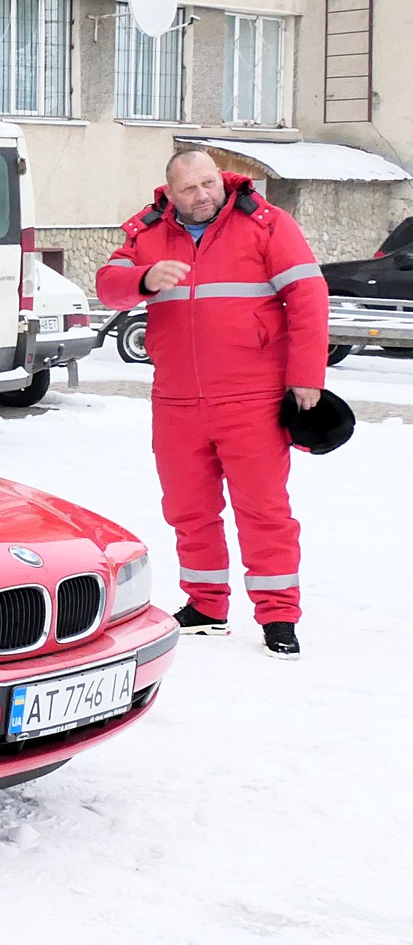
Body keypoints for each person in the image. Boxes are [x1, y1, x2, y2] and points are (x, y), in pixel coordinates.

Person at [95, 148, 328, 659]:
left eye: (208, 184)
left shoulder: (265, 224)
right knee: (187, 509)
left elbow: (309, 297)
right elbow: (107, 287)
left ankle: (278, 615)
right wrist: (144, 278)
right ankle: (206, 605)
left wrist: (307, 377)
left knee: (264, 510)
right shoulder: (146, 233)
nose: (202, 195)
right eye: (189, 189)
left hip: (253, 397)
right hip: (176, 401)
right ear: (169, 193)